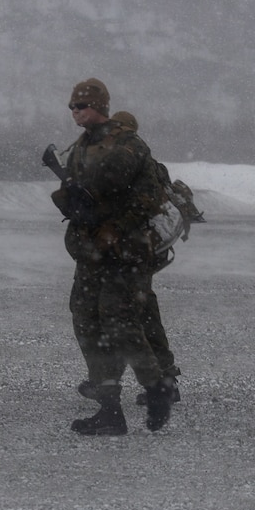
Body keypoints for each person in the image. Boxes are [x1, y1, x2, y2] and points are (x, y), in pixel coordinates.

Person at [52, 78, 176, 436]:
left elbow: (151, 196)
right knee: (87, 320)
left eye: (82, 106)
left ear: (100, 107)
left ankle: (157, 388)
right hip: (90, 251)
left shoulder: (128, 144)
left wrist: (117, 227)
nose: (76, 112)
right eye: (73, 107)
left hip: (124, 251)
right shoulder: (79, 147)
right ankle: (110, 409)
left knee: (120, 323)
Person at [76, 109, 197, 407]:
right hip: (146, 250)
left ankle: (113, 381)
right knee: (140, 313)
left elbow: (138, 206)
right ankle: (163, 378)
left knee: (119, 315)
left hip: (133, 250)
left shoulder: (134, 160)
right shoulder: (151, 163)